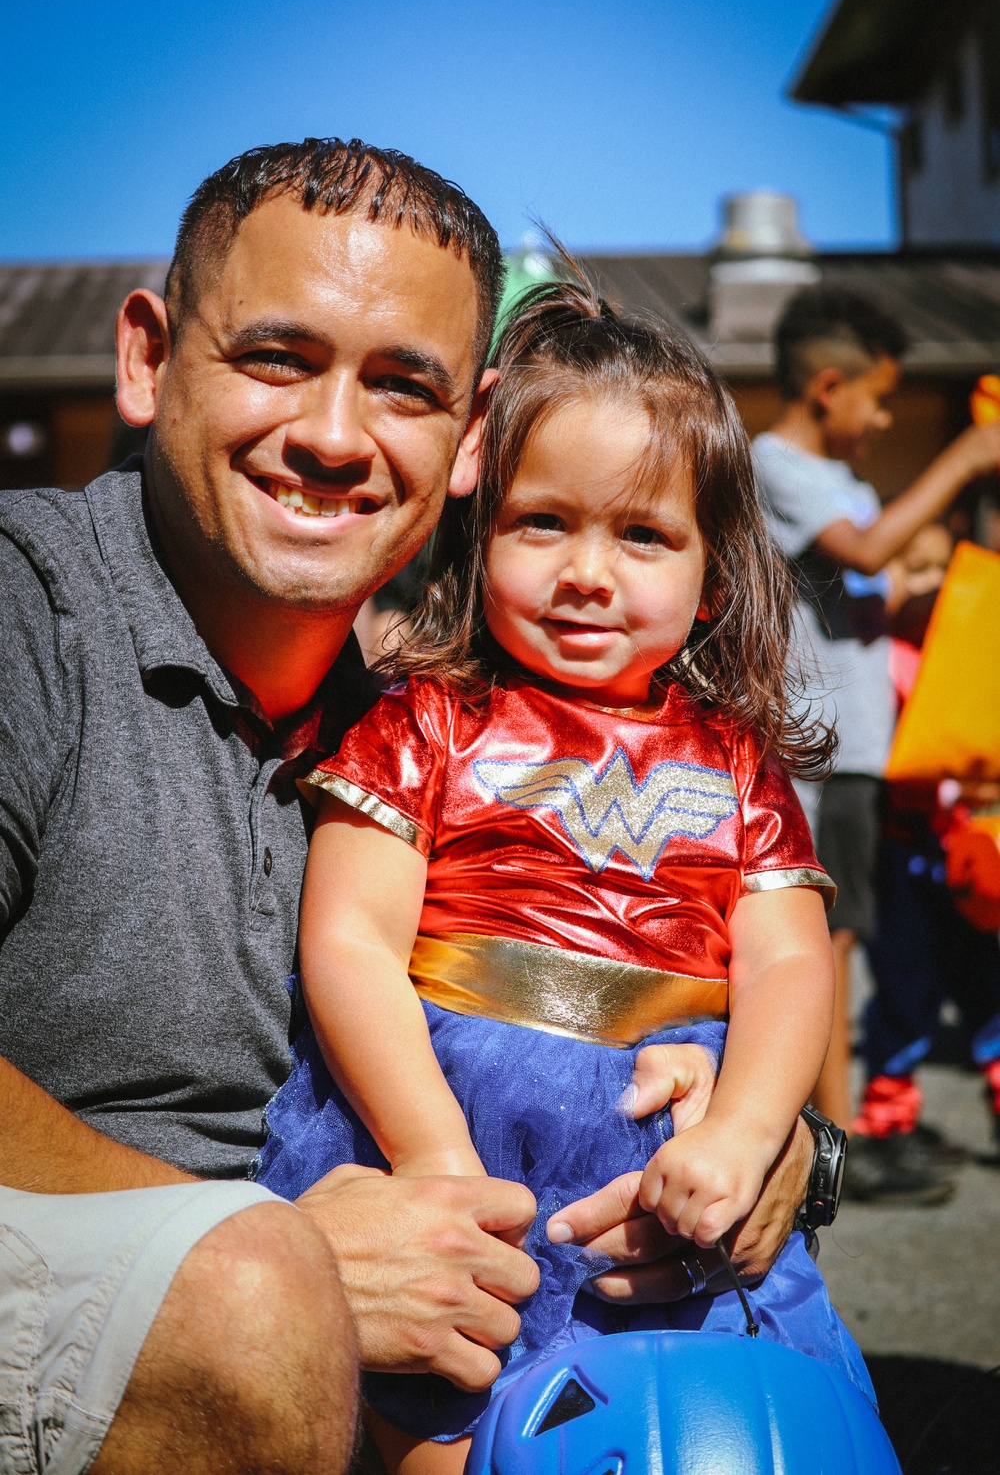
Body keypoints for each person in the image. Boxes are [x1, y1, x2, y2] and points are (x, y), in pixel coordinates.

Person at [0, 140, 816, 1475]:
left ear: (469, 438)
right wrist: (272, 1253)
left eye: (401, 386)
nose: (331, 436)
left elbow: (744, 961)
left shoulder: (426, 706)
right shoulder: (24, 618)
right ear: (147, 360)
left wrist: (767, 1137)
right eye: (276, 356)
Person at [256, 277, 869, 1473]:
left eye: (642, 535)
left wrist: (746, 1133)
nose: (587, 570)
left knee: (725, 1418)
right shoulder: (428, 720)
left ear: (714, 571)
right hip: (439, 1115)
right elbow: (348, 941)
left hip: (664, 1151)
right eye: (543, 523)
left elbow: (791, 958)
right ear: (479, 534)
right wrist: (432, 1151)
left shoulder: (737, 764)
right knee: (442, 1421)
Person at [753, 287, 1000, 1171]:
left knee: (845, 935)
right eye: (879, 399)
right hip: (814, 748)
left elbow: (877, 583)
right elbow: (865, 553)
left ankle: (848, 1127)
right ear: (829, 387)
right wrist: (965, 457)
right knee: (822, 940)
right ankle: (835, 1142)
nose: (885, 416)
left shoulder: (847, 485)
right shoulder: (775, 463)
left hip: (860, 752)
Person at [849, 526, 1000, 1200]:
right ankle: (888, 1119)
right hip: (903, 855)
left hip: (968, 854)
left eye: (941, 567)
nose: (931, 580)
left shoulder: (970, 656)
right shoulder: (882, 660)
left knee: (988, 987)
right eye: (914, 565)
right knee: (905, 989)